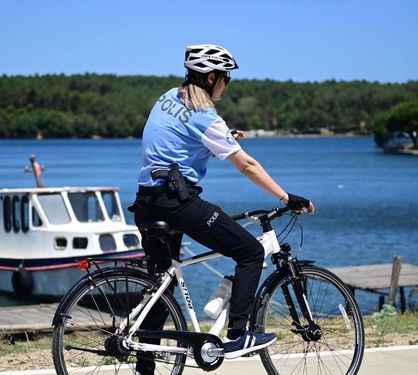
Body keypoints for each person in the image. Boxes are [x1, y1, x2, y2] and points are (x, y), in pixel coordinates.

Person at [129, 44, 315, 375]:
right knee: (249, 253)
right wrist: (287, 197)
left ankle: (144, 359)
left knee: (162, 282)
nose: (227, 84)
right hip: (176, 203)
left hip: (146, 201)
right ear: (212, 77)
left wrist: (224, 137)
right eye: (226, 78)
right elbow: (246, 164)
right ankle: (239, 334)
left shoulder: (168, 97)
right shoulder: (205, 116)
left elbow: (175, 141)